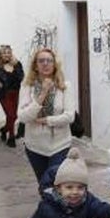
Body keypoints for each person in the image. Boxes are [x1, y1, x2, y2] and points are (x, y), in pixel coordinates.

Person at [18, 48, 75, 188]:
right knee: (44, 185)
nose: (45, 64)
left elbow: (69, 116)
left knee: (55, 182)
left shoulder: (65, 86)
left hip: (60, 145)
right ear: (35, 65)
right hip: (35, 146)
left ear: (54, 64)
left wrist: (47, 121)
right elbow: (23, 117)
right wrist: (43, 93)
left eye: (49, 60)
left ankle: (56, 202)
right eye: (41, 61)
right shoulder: (27, 87)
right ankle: (48, 202)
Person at [0, 44, 24, 148]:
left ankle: (4, 130)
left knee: (13, 116)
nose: (7, 55)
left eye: (8, 52)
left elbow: (21, 77)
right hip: (4, 94)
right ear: (0, 55)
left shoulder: (17, 64)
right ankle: (11, 138)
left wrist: (16, 66)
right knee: (11, 115)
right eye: (4, 53)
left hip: (15, 93)